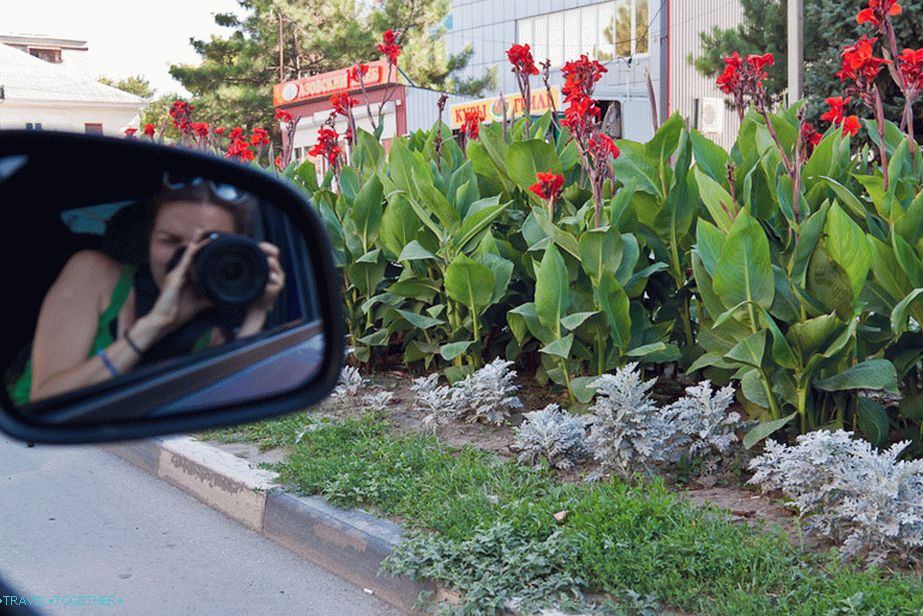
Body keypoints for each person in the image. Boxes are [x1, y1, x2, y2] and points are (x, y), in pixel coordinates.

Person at [8, 177, 285, 405]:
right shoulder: (93, 274)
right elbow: (43, 400)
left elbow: (235, 408)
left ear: (238, 251)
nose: (187, 256)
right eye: (170, 240)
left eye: (208, 244)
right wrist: (153, 325)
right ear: (148, 241)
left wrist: (257, 313)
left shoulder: (217, 326)